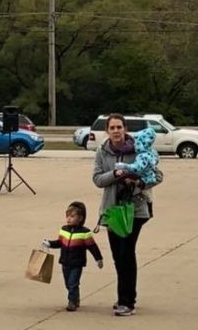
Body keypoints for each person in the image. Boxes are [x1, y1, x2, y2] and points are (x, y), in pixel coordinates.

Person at [92, 113, 163, 316]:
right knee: (117, 255)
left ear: (125, 129)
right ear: (107, 131)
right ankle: (123, 296)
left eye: (119, 127)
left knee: (126, 253)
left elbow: (157, 175)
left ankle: (127, 301)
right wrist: (115, 174)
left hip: (135, 210)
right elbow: (97, 179)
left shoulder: (141, 149)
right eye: (112, 128)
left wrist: (139, 183)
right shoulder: (102, 152)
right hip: (112, 209)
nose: (116, 131)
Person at [42, 201, 103, 312]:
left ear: (80, 218)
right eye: (67, 216)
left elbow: (92, 247)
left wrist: (98, 258)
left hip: (77, 263)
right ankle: (75, 298)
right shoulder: (64, 229)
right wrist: (50, 243)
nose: (68, 219)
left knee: (72, 283)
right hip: (65, 262)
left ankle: (72, 302)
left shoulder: (85, 233)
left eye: (72, 216)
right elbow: (60, 243)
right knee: (68, 283)